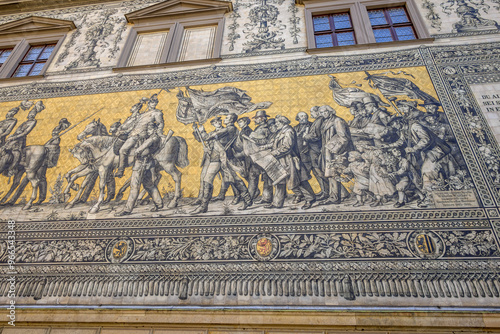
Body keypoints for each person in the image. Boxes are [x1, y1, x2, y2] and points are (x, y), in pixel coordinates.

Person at [191, 115, 253, 214]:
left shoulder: (230, 129)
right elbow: (205, 139)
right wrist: (196, 131)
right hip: (216, 158)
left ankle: (247, 200)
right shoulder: (223, 131)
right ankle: (203, 206)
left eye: (226, 118)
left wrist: (202, 131)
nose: (223, 120)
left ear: (231, 120)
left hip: (224, 158)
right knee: (208, 179)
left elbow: (207, 137)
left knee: (234, 179)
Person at [264, 115, 316, 210]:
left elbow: (286, 147)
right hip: (282, 160)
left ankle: (310, 199)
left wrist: (272, 153)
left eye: (277, 123)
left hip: (290, 160)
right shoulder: (281, 131)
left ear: (282, 123)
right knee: (280, 181)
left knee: (298, 181)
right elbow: (275, 143)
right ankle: (277, 203)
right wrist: (264, 147)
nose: (276, 125)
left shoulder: (289, 131)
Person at [115, 122, 163, 216]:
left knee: (134, 186)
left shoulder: (153, 138)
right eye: (147, 129)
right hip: (148, 164)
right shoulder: (153, 138)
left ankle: (127, 209)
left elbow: (140, 148)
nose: (148, 131)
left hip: (141, 164)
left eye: (150, 129)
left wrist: (137, 149)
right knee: (149, 185)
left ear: (155, 130)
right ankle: (159, 203)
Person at [116, 94, 163, 178]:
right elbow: (133, 126)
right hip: (133, 134)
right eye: (152, 102)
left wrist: (157, 132)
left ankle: (120, 170)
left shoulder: (157, 112)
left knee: (123, 150)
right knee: (121, 149)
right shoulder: (142, 114)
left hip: (141, 135)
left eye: (155, 102)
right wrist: (125, 132)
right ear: (148, 103)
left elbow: (160, 124)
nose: (153, 104)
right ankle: (121, 168)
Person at [319, 105, 353, 205]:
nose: (322, 114)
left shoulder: (338, 120)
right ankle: (342, 194)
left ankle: (334, 197)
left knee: (333, 173)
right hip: (328, 151)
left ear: (330, 111)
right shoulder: (326, 121)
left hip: (336, 152)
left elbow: (343, 137)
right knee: (330, 173)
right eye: (321, 112)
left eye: (324, 112)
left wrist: (335, 150)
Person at [3, 101, 45, 176]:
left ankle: (12, 168)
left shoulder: (33, 122)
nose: (30, 115)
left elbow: (25, 132)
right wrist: (12, 136)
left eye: (32, 114)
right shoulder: (25, 122)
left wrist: (15, 137)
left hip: (20, 140)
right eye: (30, 113)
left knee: (16, 153)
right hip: (14, 138)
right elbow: (17, 130)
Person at [303, 106, 328, 200]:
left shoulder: (320, 120)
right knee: (317, 172)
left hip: (317, 149)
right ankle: (324, 191)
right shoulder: (317, 121)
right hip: (313, 150)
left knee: (320, 171)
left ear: (317, 112)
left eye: (312, 112)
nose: (311, 114)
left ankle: (326, 192)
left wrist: (306, 137)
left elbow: (316, 136)